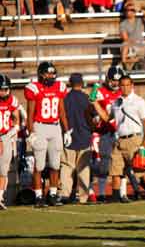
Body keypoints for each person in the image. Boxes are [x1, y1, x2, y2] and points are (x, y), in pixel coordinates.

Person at [93, 75, 145, 202]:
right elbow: (107, 118)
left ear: (132, 85)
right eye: (122, 85)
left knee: (141, 170)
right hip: (119, 139)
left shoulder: (138, 101)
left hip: (134, 138)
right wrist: (95, 103)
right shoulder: (117, 101)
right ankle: (115, 197)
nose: (125, 88)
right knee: (115, 170)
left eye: (127, 85)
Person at [25, 62, 70, 208]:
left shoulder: (59, 87)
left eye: (52, 73)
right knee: (39, 164)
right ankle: (38, 196)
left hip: (55, 127)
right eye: (47, 73)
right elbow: (30, 114)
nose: (50, 76)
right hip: (40, 127)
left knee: (55, 164)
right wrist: (31, 132)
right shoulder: (34, 88)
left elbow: (62, 111)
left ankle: (52, 194)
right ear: (40, 74)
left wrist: (67, 130)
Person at [89, 66, 125, 203]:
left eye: (118, 80)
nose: (116, 83)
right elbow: (91, 108)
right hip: (105, 132)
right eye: (113, 80)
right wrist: (95, 115)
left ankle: (122, 193)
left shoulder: (124, 92)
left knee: (123, 165)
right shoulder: (100, 91)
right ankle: (102, 193)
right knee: (104, 164)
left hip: (120, 132)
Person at [58, 73, 92, 204]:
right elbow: (92, 117)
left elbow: (61, 116)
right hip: (84, 136)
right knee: (83, 168)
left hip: (69, 136)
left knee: (67, 166)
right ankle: (83, 197)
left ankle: (65, 194)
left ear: (70, 83)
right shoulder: (86, 98)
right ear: (81, 83)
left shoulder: (65, 98)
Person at [0, 74, 20, 210]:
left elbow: (16, 117)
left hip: (5, 136)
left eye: (6, 89)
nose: (4, 92)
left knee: (3, 170)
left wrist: (14, 129)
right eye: (1, 89)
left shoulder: (12, 100)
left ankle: (0, 197)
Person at [120, 2, 145, 70]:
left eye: (132, 10)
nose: (130, 12)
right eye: (128, 10)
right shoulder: (123, 24)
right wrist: (134, 42)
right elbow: (125, 38)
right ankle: (124, 65)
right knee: (125, 44)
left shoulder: (139, 20)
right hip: (131, 45)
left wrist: (140, 10)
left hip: (141, 43)